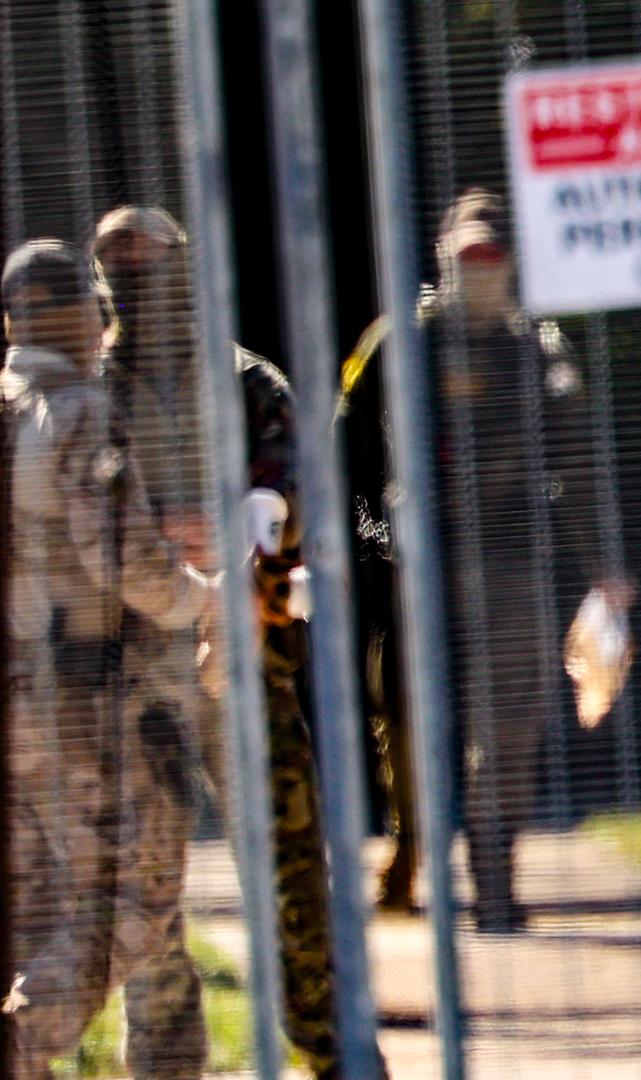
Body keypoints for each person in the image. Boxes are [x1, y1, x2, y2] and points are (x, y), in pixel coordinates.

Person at [92, 205, 373, 1079]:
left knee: (289, 870)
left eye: (152, 265)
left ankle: (328, 1052)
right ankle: (168, 1066)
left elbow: (294, 488)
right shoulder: (88, 388)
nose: (138, 284)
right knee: (147, 894)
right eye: (119, 268)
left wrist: (240, 533)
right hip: (130, 678)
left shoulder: (247, 382)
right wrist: (147, 541)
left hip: (244, 665)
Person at [341, 188, 602, 933]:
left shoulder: (537, 348)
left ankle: (494, 883)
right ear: (442, 261)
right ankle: (410, 852)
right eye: (467, 257)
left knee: (508, 728)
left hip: (512, 557)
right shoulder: (398, 342)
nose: (480, 269)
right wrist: (370, 543)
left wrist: (605, 564)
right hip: (412, 561)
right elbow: (345, 453)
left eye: (492, 256)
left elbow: (576, 461)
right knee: (410, 720)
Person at [2, 239, 218, 1077]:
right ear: (87, 316)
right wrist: (208, 599)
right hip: (81, 703)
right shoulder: (82, 412)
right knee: (138, 899)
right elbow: (126, 561)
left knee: (35, 914)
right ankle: (27, 1040)